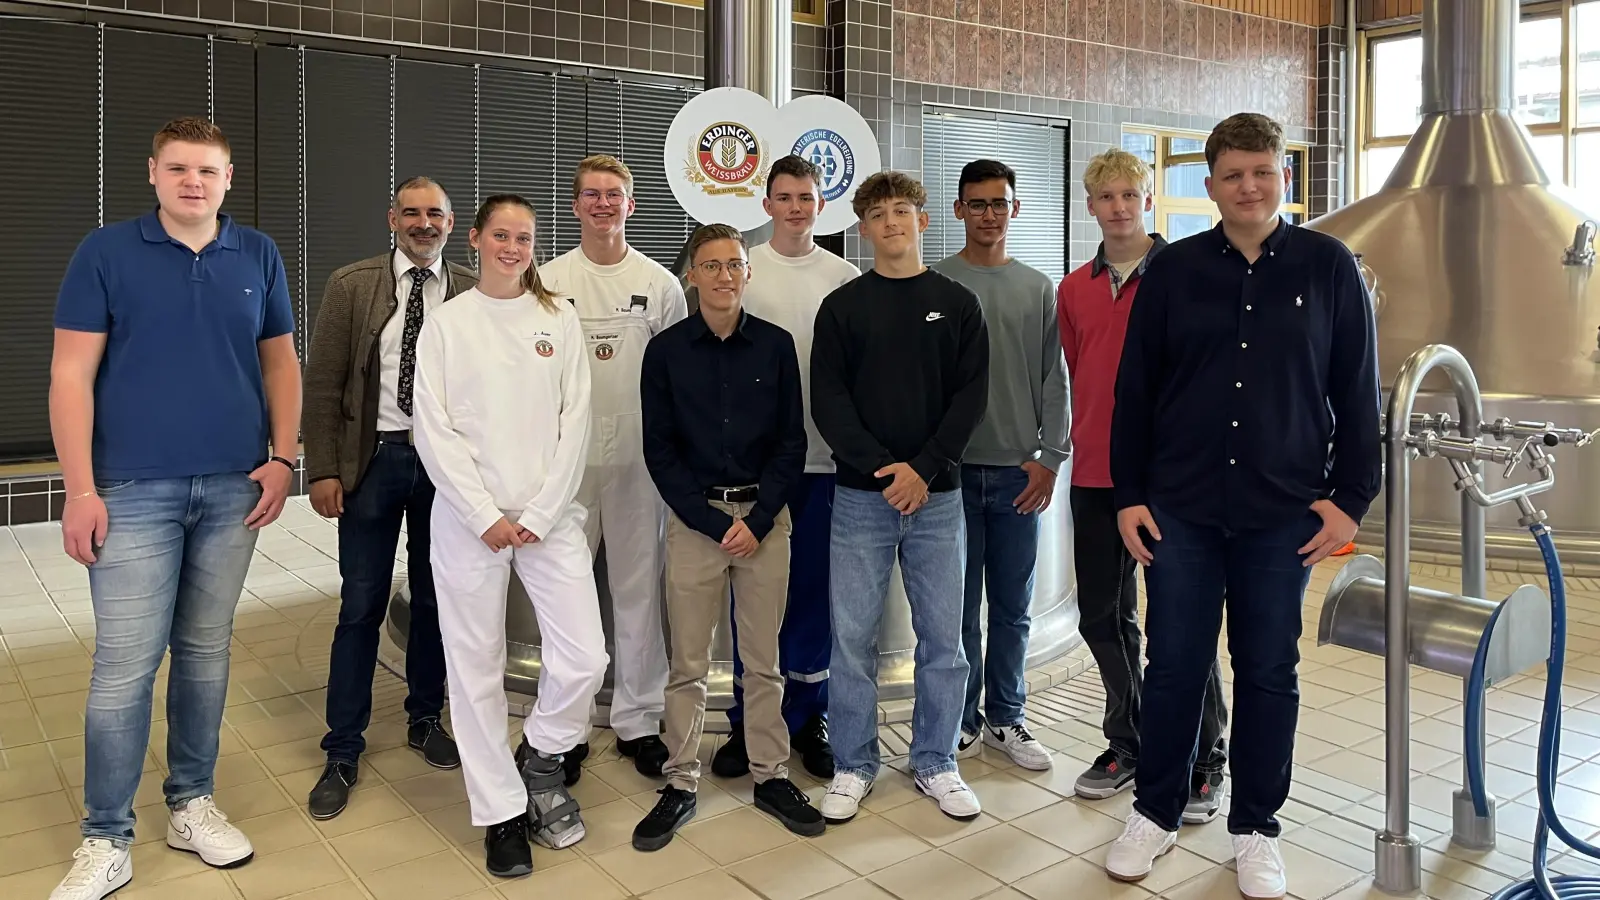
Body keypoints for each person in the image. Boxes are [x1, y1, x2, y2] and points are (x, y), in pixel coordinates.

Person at [1103, 114, 1381, 899]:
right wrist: (1129, 495)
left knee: (1266, 671)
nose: (1248, 187)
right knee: (1173, 668)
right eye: (1233, 174)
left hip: (1282, 515)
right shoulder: (1175, 270)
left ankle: (1256, 828)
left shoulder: (1329, 267)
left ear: (1283, 176)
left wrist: (1351, 499)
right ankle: (1154, 813)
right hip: (1182, 509)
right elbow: (1136, 391)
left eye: (1262, 171)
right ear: (1211, 184)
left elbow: (1358, 390)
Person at [47, 116, 301, 900]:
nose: (194, 182)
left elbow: (281, 363)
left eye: (208, 170)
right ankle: (105, 836)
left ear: (228, 180)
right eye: (180, 168)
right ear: (153, 172)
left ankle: (191, 803)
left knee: (204, 652)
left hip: (232, 488)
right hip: (130, 492)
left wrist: (284, 458)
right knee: (124, 666)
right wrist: (79, 490)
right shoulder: (105, 253)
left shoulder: (257, 254)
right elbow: (69, 375)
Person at [411, 194, 607, 878]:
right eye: (501, 234)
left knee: (585, 657)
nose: (513, 247)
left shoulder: (558, 317)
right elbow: (431, 427)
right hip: (470, 522)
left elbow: (576, 420)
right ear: (475, 239)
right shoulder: (448, 323)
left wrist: (542, 513)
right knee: (474, 669)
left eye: (524, 237)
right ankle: (500, 813)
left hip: (548, 517)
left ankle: (541, 754)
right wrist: (482, 514)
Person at [632, 223, 823, 851]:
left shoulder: (775, 346)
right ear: (691, 274)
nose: (723, 276)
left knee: (763, 661)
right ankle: (680, 780)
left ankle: (770, 774)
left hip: (765, 520)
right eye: (710, 265)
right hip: (697, 524)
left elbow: (791, 443)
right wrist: (715, 523)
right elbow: (660, 452)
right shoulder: (665, 352)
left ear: (748, 272)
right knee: (688, 664)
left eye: (734, 264)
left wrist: (759, 520)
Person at [1056, 148, 1231, 820]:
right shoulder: (1074, 289)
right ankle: (1130, 741)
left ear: (1148, 200)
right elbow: (1083, 372)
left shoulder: (1188, 276)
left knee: (1181, 622)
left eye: (1130, 195)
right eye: (1107, 197)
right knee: (1102, 616)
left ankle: (1205, 754)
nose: (1119, 207)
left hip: (1172, 480)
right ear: (1091, 206)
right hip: (1097, 474)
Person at [811, 171, 990, 825]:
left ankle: (936, 760)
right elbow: (828, 401)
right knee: (851, 640)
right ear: (864, 229)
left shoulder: (958, 303)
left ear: (922, 220)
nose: (891, 222)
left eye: (902, 210)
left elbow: (970, 397)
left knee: (944, 639)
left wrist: (924, 469)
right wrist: (888, 471)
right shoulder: (843, 307)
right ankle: (854, 764)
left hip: (939, 500)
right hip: (861, 500)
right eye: (879, 214)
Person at [300, 176, 472, 821]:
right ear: (392, 218)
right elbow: (323, 382)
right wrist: (322, 468)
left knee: (433, 600)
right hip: (371, 461)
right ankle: (343, 747)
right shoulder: (352, 285)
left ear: (451, 223)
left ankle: (424, 719)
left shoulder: (472, 289)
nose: (424, 223)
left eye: (436, 214)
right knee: (361, 605)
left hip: (444, 469)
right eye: (412, 212)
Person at [538, 154, 688, 779]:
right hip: (568, 462)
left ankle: (639, 719)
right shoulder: (547, 280)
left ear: (631, 205)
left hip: (639, 459)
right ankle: (564, 728)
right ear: (576, 205)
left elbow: (680, 376)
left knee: (637, 590)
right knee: (565, 597)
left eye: (614, 194)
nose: (603, 204)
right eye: (592, 194)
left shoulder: (659, 284)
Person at [713, 154, 860, 782]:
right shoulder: (744, 269)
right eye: (785, 197)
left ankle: (808, 717)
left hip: (825, 463)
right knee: (752, 600)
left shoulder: (845, 277)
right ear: (766, 203)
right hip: (757, 468)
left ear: (821, 205)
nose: (796, 208)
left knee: (813, 597)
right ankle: (750, 720)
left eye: (806, 197)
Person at [931, 159, 1067, 773]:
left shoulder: (1038, 288)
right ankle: (961, 720)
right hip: (951, 476)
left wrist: (1050, 458)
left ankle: (1007, 717)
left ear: (1016, 209)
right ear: (959, 209)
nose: (989, 214)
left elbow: (1054, 379)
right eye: (977, 203)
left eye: (999, 203)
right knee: (958, 611)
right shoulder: (936, 283)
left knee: (1012, 608)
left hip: (1017, 475)